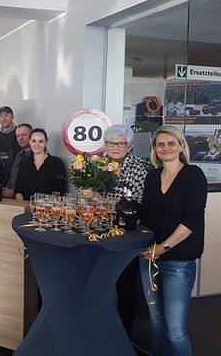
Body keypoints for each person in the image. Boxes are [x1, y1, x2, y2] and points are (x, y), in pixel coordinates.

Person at [140, 126, 207, 356]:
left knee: (176, 329)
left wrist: (163, 247)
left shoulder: (193, 175)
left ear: (181, 146)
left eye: (171, 143)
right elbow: (145, 216)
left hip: (178, 261)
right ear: (155, 149)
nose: (165, 148)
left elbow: (192, 220)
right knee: (156, 320)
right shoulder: (152, 177)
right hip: (149, 258)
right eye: (160, 144)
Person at [81, 124, 152, 339]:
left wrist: (99, 198)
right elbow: (88, 197)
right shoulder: (98, 164)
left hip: (125, 235)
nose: (115, 147)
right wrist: (85, 194)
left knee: (125, 286)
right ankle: (98, 329)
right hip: (98, 231)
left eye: (120, 144)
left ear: (129, 146)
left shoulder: (139, 168)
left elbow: (135, 205)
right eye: (111, 143)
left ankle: (124, 335)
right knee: (97, 282)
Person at [15, 128, 66, 200]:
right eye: (34, 141)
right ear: (29, 142)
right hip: (26, 206)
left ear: (46, 142)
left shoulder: (56, 163)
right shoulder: (24, 163)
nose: (37, 144)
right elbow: (18, 191)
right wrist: (23, 205)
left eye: (41, 141)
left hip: (48, 206)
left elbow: (60, 191)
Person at [0, 106, 22, 186]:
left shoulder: (19, 136)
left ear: (12, 116)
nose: (4, 119)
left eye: (6, 115)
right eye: (1, 116)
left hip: (16, 182)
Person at [3, 123, 33, 198]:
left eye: (24, 135)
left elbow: (32, 182)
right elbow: (13, 175)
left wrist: (14, 192)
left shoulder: (35, 156)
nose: (20, 138)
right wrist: (8, 188)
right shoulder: (19, 154)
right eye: (18, 136)